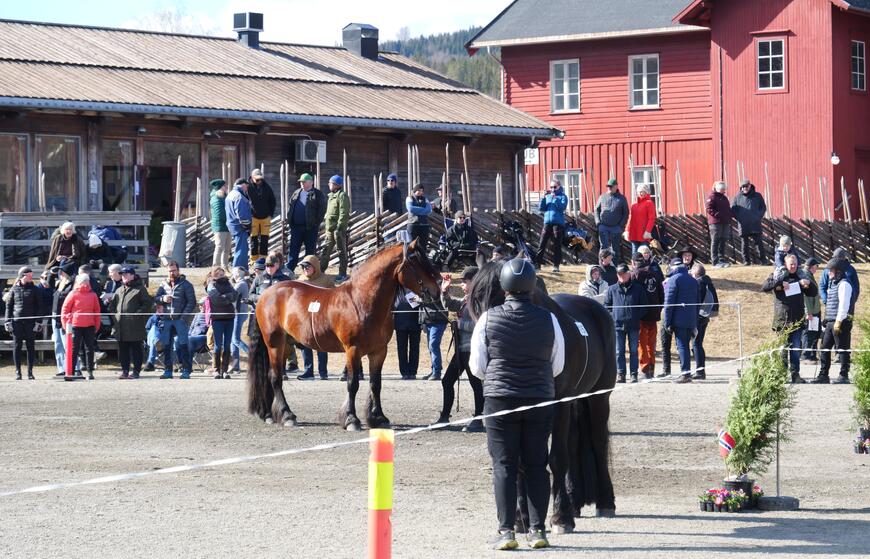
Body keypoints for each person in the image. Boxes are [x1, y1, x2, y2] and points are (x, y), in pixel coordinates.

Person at [470, 258, 565, 550]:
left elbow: (477, 366)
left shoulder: (488, 318)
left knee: (504, 466)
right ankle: (538, 530)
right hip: (539, 399)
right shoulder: (549, 319)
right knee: (537, 465)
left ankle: (507, 531)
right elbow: (557, 364)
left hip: (500, 402)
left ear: (504, 287)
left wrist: (500, 381)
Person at [434, 266, 484, 431]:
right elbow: (450, 304)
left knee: (476, 384)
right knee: (447, 381)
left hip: (472, 350)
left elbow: (480, 324)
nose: (462, 285)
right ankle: (444, 417)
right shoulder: (466, 299)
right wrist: (444, 292)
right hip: (461, 350)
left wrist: (459, 324)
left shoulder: (480, 301)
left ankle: (478, 418)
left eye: (465, 282)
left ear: (474, 281)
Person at [762, 254, 817, 383]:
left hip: (797, 320)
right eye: (791, 263)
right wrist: (781, 283)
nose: (793, 266)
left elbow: (813, 292)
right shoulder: (777, 274)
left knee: (796, 349)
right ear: (785, 264)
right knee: (782, 349)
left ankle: (795, 374)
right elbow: (765, 287)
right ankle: (781, 375)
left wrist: (808, 284)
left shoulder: (801, 275)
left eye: (795, 263)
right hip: (782, 320)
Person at [248, 254, 298, 376]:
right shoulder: (259, 278)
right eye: (266, 266)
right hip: (261, 316)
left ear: (277, 265)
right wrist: (262, 298)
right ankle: (261, 370)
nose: (268, 268)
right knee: (259, 343)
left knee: (281, 344)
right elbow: (250, 295)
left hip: (279, 318)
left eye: (271, 265)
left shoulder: (285, 279)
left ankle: (282, 370)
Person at [813, 258, 854, 384]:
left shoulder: (844, 284)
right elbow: (831, 304)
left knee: (842, 348)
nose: (828, 273)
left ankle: (843, 375)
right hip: (831, 322)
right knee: (824, 348)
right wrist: (827, 319)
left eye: (831, 270)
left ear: (838, 271)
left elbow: (844, 305)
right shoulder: (834, 284)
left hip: (840, 322)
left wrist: (838, 321)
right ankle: (823, 375)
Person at [153, 260, 196, 379]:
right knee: (166, 346)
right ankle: (168, 371)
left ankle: (186, 370)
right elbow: (156, 299)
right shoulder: (163, 284)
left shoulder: (186, 284)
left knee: (183, 345)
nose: (172, 273)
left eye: (174, 270)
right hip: (166, 319)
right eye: (170, 271)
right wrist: (163, 298)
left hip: (179, 320)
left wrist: (183, 317)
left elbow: (192, 302)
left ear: (178, 270)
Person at [108, 266, 152, 379]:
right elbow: (112, 307)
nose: (124, 277)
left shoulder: (140, 289)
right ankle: (125, 371)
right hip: (120, 326)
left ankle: (136, 371)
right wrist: (115, 318)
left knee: (136, 349)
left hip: (135, 326)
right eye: (122, 275)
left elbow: (147, 305)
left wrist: (137, 314)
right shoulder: (119, 290)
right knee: (123, 350)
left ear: (132, 275)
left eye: (126, 274)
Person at [605, 263, 647, 383]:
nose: (621, 276)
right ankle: (621, 374)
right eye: (619, 275)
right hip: (617, 326)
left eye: (623, 274)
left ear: (629, 274)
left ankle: (634, 374)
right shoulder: (612, 289)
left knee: (634, 351)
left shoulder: (638, 288)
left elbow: (644, 306)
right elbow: (607, 307)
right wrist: (614, 317)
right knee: (619, 351)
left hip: (633, 325)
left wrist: (635, 316)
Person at [295, 255, 333, 380]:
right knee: (306, 344)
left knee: (321, 344)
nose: (304, 269)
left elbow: (334, 296)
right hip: (305, 318)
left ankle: (323, 372)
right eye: (302, 266)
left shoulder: (326, 280)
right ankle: (308, 371)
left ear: (315, 266)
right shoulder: (300, 279)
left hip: (321, 317)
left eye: (307, 266)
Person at [663, 258, 699, 383]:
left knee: (682, 346)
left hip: (678, 319)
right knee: (686, 346)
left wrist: (666, 322)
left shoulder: (673, 280)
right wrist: (695, 321)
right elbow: (697, 303)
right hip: (691, 318)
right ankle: (686, 372)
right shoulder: (693, 280)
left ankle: (685, 374)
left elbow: (668, 303)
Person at [4, 266, 43, 380]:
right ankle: (18, 372)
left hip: (30, 323)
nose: (31, 277)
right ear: (23, 275)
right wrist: (7, 321)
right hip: (17, 323)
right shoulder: (14, 289)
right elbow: (9, 306)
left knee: (31, 347)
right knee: (17, 347)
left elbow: (40, 307)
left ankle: (30, 372)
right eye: (29, 275)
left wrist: (38, 322)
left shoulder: (35, 289)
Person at [61, 273, 102, 380]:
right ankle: (70, 371)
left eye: (87, 281)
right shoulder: (73, 294)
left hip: (89, 326)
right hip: (75, 326)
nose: (86, 283)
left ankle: (90, 371)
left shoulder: (93, 295)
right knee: (73, 350)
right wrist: (66, 326)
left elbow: (97, 311)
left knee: (90, 349)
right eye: (84, 281)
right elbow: (65, 311)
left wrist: (96, 325)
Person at [632, 253, 664, 379]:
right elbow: (662, 294)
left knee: (642, 343)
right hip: (654, 314)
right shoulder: (656, 275)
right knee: (651, 343)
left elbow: (634, 296)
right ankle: (651, 368)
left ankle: (645, 369)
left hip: (642, 314)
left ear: (634, 262)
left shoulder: (635, 276)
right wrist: (659, 308)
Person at [287, 173, 327, 271]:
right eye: (301, 182)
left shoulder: (318, 194)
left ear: (311, 182)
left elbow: (322, 210)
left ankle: (308, 272)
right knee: (293, 250)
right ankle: (289, 271)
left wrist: (315, 224)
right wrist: (290, 220)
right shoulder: (297, 192)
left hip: (310, 228)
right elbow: (290, 205)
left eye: (304, 182)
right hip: (296, 227)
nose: (302, 184)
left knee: (310, 251)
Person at [206, 266, 238, 379]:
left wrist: (226, 297)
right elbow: (217, 300)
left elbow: (235, 295)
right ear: (214, 275)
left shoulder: (228, 284)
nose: (221, 276)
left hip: (229, 318)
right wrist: (228, 297)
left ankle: (225, 370)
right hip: (217, 320)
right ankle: (216, 370)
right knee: (218, 346)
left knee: (227, 345)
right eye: (219, 274)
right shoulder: (211, 285)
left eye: (222, 274)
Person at [690, 263, 718, 380]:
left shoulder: (700, 282)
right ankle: (700, 370)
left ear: (695, 273)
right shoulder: (708, 282)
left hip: (700, 316)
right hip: (705, 316)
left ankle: (700, 371)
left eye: (691, 272)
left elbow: (698, 300)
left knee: (696, 344)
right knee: (698, 344)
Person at [534, 178, 568, 273]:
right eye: (551, 187)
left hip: (558, 223)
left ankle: (556, 266)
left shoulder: (563, 196)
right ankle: (537, 264)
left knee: (557, 245)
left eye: (555, 187)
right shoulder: (548, 196)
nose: (553, 189)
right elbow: (542, 208)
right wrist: (543, 198)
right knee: (542, 243)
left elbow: (562, 207)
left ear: (559, 187)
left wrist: (555, 198)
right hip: (547, 222)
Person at [320, 175, 351, 282]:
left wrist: (339, 227)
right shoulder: (331, 196)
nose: (329, 184)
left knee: (341, 252)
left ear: (337, 185)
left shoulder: (342, 196)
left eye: (331, 183)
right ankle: (320, 272)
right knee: (326, 251)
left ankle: (342, 274)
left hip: (338, 230)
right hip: (330, 229)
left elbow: (344, 213)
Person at [730, 179, 768, 265]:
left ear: (750, 186)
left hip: (755, 223)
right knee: (744, 244)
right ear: (741, 188)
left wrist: (758, 217)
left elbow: (763, 208)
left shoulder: (757, 196)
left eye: (746, 186)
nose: (745, 188)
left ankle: (763, 261)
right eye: (743, 186)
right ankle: (746, 261)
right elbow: (734, 210)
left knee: (758, 243)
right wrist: (740, 218)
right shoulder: (737, 197)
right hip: (743, 224)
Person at [50, 261, 77, 376]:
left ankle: (74, 367)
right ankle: (61, 368)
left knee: (68, 344)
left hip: (66, 317)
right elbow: (48, 284)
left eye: (62, 271)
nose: (60, 273)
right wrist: (51, 273)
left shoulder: (73, 285)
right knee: (58, 343)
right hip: (55, 316)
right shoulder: (59, 284)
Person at [594, 178, 629, 264]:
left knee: (615, 248)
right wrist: (598, 223)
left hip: (616, 227)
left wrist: (621, 225)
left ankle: (615, 267)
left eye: (611, 186)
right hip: (603, 226)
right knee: (603, 247)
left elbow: (626, 213)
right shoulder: (602, 197)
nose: (609, 188)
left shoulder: (621, 198)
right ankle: (602, 266)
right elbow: (596, 210)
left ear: (616, 186)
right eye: (608, 186)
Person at [247, 168, 277, 267]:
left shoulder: (267, 187)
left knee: (264, 239)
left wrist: (270, 214)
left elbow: (272, 201)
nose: (259, 181)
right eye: (257, 179)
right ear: (252, 178)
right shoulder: (248, 187)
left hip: (265, 217)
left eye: (260, 179)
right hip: (253, 217)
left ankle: (263, 259)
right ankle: (254, 259)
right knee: (253, 239)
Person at [420, 285, 450, 382]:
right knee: (430, 347)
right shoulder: (422, 283)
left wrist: (421, 298)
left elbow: (437, 298)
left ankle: (437, 372)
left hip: (438, 319)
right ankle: (434, 369)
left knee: (433, 345)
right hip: (427, 319)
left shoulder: (439, 283)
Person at [394, 289, 421, 380]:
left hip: (415, 323)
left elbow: (418, 303)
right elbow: (393, 305)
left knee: (414, 348)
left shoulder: (416, 289)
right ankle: (404, 372)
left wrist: (410, 295)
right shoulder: (396, 291)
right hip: (400, 324)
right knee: (401, 349)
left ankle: (413, 372)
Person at [225, 178, 252, 269]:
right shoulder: (239, 196)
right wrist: (247, 227)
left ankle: (242, 269)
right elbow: (242, 215)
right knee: (241, 249)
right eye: (247, 186)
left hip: (232, 225)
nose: (247, 189)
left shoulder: (230, 195)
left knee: (240, 248)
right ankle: (238, 270)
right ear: (243, 185)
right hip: (239, 226)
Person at [705, 181, 733, 268]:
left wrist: (729, 216)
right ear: (716, 188)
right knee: (715, 241)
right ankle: (715, 261)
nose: (723, 190)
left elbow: (727, 209)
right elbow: (709, 208)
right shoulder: (712, 196)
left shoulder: (724, 198)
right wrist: (718, 215)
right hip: (715, 223)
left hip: (725, 222)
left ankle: (721, 259)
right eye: (721, 189)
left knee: (723, 240)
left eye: (724, 189)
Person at [625, 185, 656, 255]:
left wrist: (647, 231)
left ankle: (645, 266)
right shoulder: (634, 205)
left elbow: (651, 219)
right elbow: (630, 218)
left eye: (643, 191)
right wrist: (627, 230)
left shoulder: (649, 203)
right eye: (639, 192)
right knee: (635, 254)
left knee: (644, 254)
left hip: (643, 234)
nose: (641, 193)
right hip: (634, 233)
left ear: (646, 192)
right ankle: (635, 266)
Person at [801, 258, 822, 363]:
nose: (817, 268)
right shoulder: (805, 276)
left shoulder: (809, 276)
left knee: (815, 333)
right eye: (816, 266)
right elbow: (804, 297)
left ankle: (812, 356)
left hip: (815, 310)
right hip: (811, 311)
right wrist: (807, 312)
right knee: (808, 334)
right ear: (811, 266)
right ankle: (806, 356)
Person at [230, 266, 250, 374]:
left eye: (233, 272)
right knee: (233, 341)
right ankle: (235, 365)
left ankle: (252, 355)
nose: (232, 274)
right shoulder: (242, 283)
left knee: (236, 339)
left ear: (238, 273)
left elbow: (231, 296)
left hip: (239, 314)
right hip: (239, 313)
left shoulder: (240, 284)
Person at [209, 179, 231, 268]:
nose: (226, 187)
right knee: (219, 247)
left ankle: (224, 267)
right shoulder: (216, 198)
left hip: (226, 225)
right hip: (220, 226)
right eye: (224, 186)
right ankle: (216, 268)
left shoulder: (223, 197)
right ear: (220, 187)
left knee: (226, 248)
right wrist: (229, 220)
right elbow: (219, 213)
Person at [406, 183, 433, 251]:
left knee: (423, 246)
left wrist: (418, 210)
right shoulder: (409, 198)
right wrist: (423, 210)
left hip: (424, 225)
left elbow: (429, 210)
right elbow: (411, 209)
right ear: (415, 190)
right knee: (411, 245)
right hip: (413, 224)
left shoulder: (425, 199)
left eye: (421, 190)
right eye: (418, 190)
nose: (420, 192)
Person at [143, 306, 165, 372]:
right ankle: (158, 345)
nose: (159, 309)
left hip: (163, 339)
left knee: (154, 341)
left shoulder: (168, 318)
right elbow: (147, 330)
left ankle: (150, 363)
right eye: (158, 308)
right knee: (154, 329)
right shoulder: (152, 318)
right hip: (151, 339)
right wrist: (157, 317)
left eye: (161, 308)